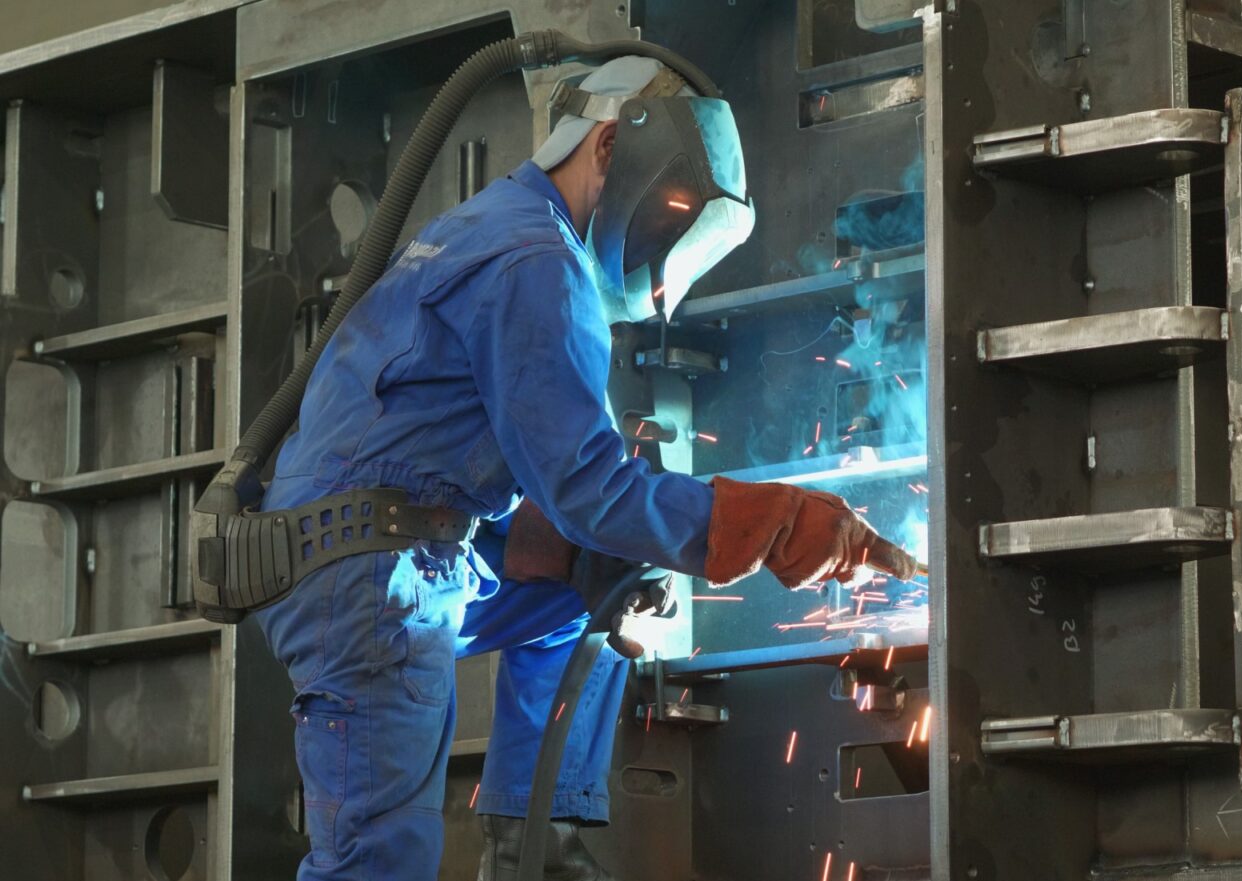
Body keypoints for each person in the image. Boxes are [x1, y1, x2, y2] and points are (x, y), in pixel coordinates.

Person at [252, 56, 916, 881]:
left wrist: (573, 545)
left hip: (397, 551)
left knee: (589, 585)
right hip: (372, 581)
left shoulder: (497, 226)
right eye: (669, 223)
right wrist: (788, 523)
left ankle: (536, 848)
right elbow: (592, 489)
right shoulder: (539, 262)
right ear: (609, 147)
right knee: (377, 863)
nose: (663, 268)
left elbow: (502, 468)